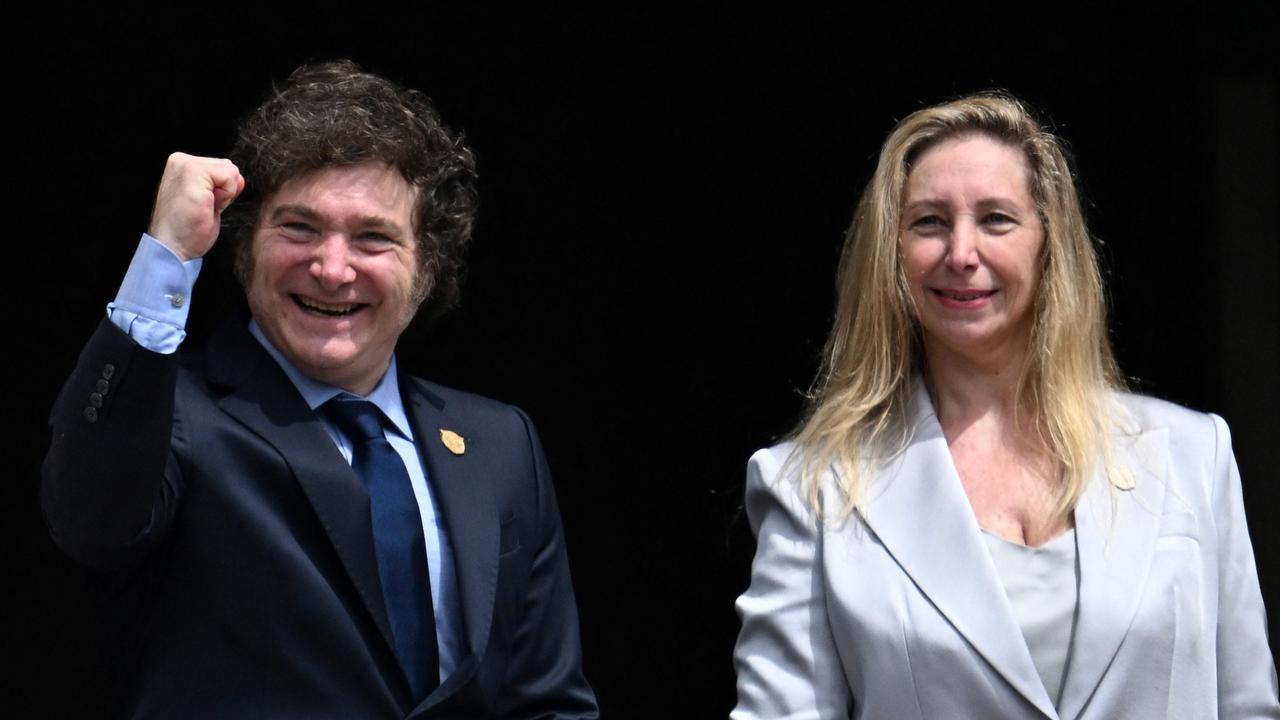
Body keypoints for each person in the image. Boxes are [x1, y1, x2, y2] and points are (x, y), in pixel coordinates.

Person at [42, 60, 598, 719]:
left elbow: (546, 702)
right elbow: (90, 520)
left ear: (428, 267)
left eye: (373, 238)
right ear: (245, 245)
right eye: (299, 228)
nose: (331, 269)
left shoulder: (500, 442)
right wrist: (167, 252)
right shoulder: (173, 412)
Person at [732, 93, 1279, 719]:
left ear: (1050, 244)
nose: (961, 253)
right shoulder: (813, 488)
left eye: (995, 219)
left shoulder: (1191, 457)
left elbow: (1247, 705)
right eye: (929, 222)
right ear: (891, 255)